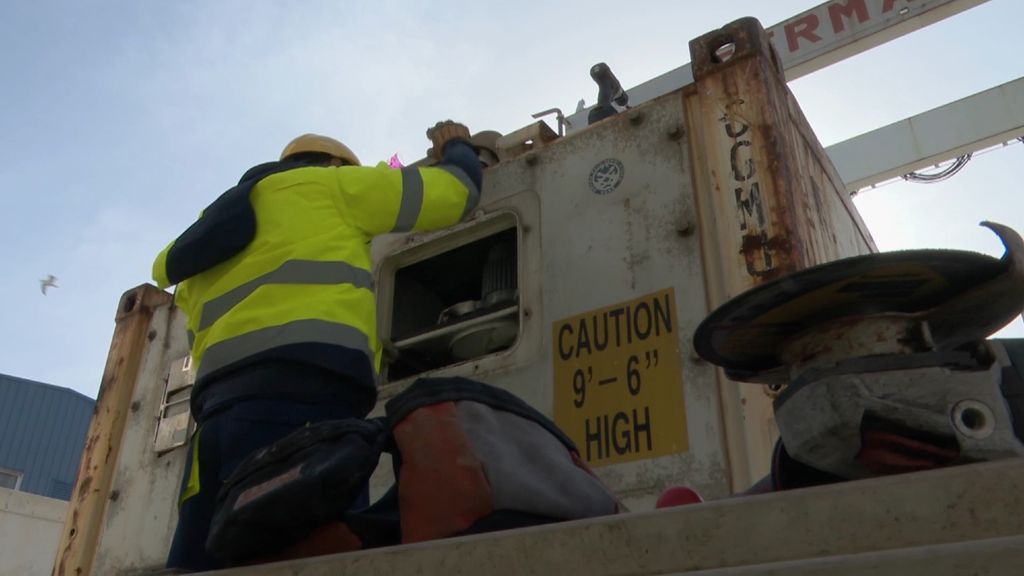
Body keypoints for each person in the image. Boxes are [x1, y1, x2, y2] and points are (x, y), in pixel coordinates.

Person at [152, 122, 482, 571]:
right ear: (333, 164)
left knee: (201, 552)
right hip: (308, 396)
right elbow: (455, 195)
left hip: (217, 417)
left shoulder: (208, 238)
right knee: (321, 547)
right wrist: (458, 148)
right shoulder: (330, 185)